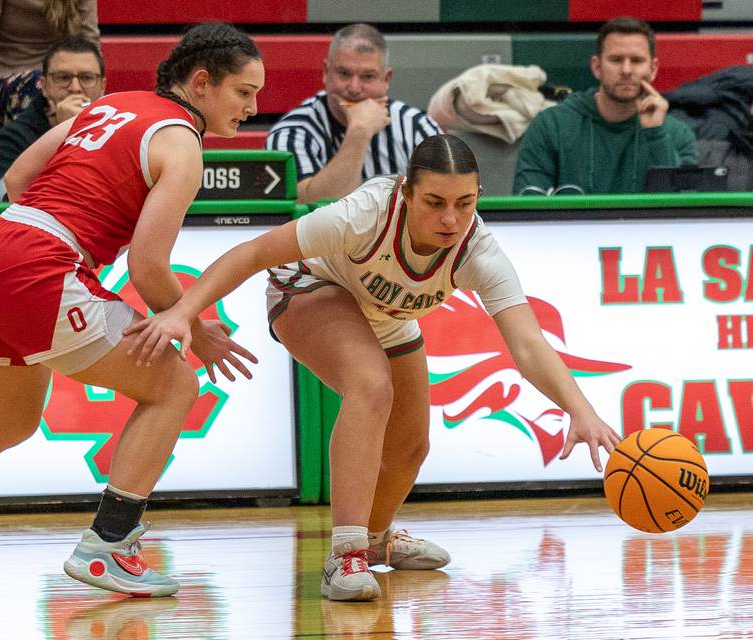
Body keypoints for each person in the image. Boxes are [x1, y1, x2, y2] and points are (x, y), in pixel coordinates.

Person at [125, 133, 622, 602]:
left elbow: (529, 345)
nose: (451, 219)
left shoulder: (478, 250)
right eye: (435, 203)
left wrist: (581, 410)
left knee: (410, 444)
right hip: (308, 288)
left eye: (464, 204)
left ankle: (377, 537)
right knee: (369, 385)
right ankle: (345, 557)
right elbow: (255, 252)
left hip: (384, 317)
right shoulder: (364, 214)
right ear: (407, 192)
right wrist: (183, 312)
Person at [0, 22, 262, 597]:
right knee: (174, 386)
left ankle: (110, 545)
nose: (252, 107)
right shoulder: (182, 142)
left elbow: (19, 178)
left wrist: (67, 224)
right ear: (201, 83)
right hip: (41, 264)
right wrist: (195, 324)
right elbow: (148, 267)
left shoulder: (111, 104)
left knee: (6, 419)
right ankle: (109, 547)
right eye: (244, 92)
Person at [513, 16, 697, 195]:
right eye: (616, 60)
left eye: (636, 61)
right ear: (597, 66)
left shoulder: (677, 134)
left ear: (653, 68)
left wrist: (656, 136)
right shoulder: (551, 125)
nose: (626, 70)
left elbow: (687, 215)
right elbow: (527, 205)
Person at [265, 23, 441, 204]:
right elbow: (309, 211)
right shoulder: (290, 134)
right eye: (344, 73)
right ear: (326, 72)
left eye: (368, 76)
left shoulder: (419, 128)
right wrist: (360, 131)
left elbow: (446, 201)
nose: (354, 88)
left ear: (385, 79)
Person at [0, 0, 99, 152]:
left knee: (58, 92)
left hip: (55, 81)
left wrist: (98, 105)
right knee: (39, 89)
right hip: (2, 84)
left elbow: (90, 43)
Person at [0, 35, 106, 201]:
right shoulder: (11, 138)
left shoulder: (123, 128)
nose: (75, 88)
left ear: (103, 86)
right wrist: (69, 132)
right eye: (63, 77)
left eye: (86, 78)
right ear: (44, 86)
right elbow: (9, 200)